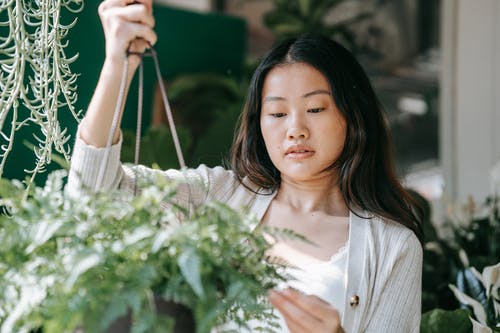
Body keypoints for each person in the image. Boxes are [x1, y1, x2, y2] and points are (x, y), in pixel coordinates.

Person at [67, 0, 424, 332]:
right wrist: (118, 65)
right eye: (277, 113)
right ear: (259, 124)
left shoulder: (393, 248)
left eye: (315, 109)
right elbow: (93, 196)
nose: (295, 130)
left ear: (353, 117)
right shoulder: (216, 198)